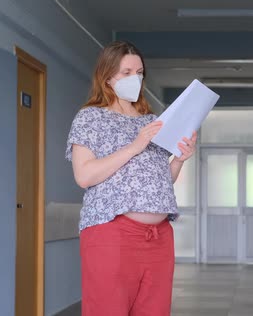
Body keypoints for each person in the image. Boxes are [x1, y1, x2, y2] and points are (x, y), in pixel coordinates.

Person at [65, 40, 196, 316]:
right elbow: (84, 175)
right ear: (107, 77)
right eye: (126, 72)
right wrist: (134, 147)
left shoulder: (152, 121)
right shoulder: (91, 118)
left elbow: (159, 182)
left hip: (159, 237)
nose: (134, 78)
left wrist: (180, 160)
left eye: (139, 72)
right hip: (112, 232)